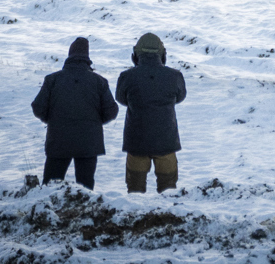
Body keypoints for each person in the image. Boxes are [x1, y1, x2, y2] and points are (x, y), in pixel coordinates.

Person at [31, 37, 118, 190]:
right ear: (88, 58)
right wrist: (95, 122)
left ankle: (47, 213)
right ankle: (83, 213)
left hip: (58, 140)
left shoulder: (52, 79)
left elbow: (38, 107)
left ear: (69, 55)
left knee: (50, 187)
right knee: (85, 189)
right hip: (89, 142)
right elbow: (111, 110)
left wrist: (52, 120)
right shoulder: (99, 81)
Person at [115, 33, 186, 193]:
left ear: (135, 55)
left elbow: (121, 98)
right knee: (168, 191)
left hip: (136, 143)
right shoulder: (175, 76)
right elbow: (180, 97)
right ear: (162, 54)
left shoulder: (127, 76)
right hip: (166, 142)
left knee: (135, 192)